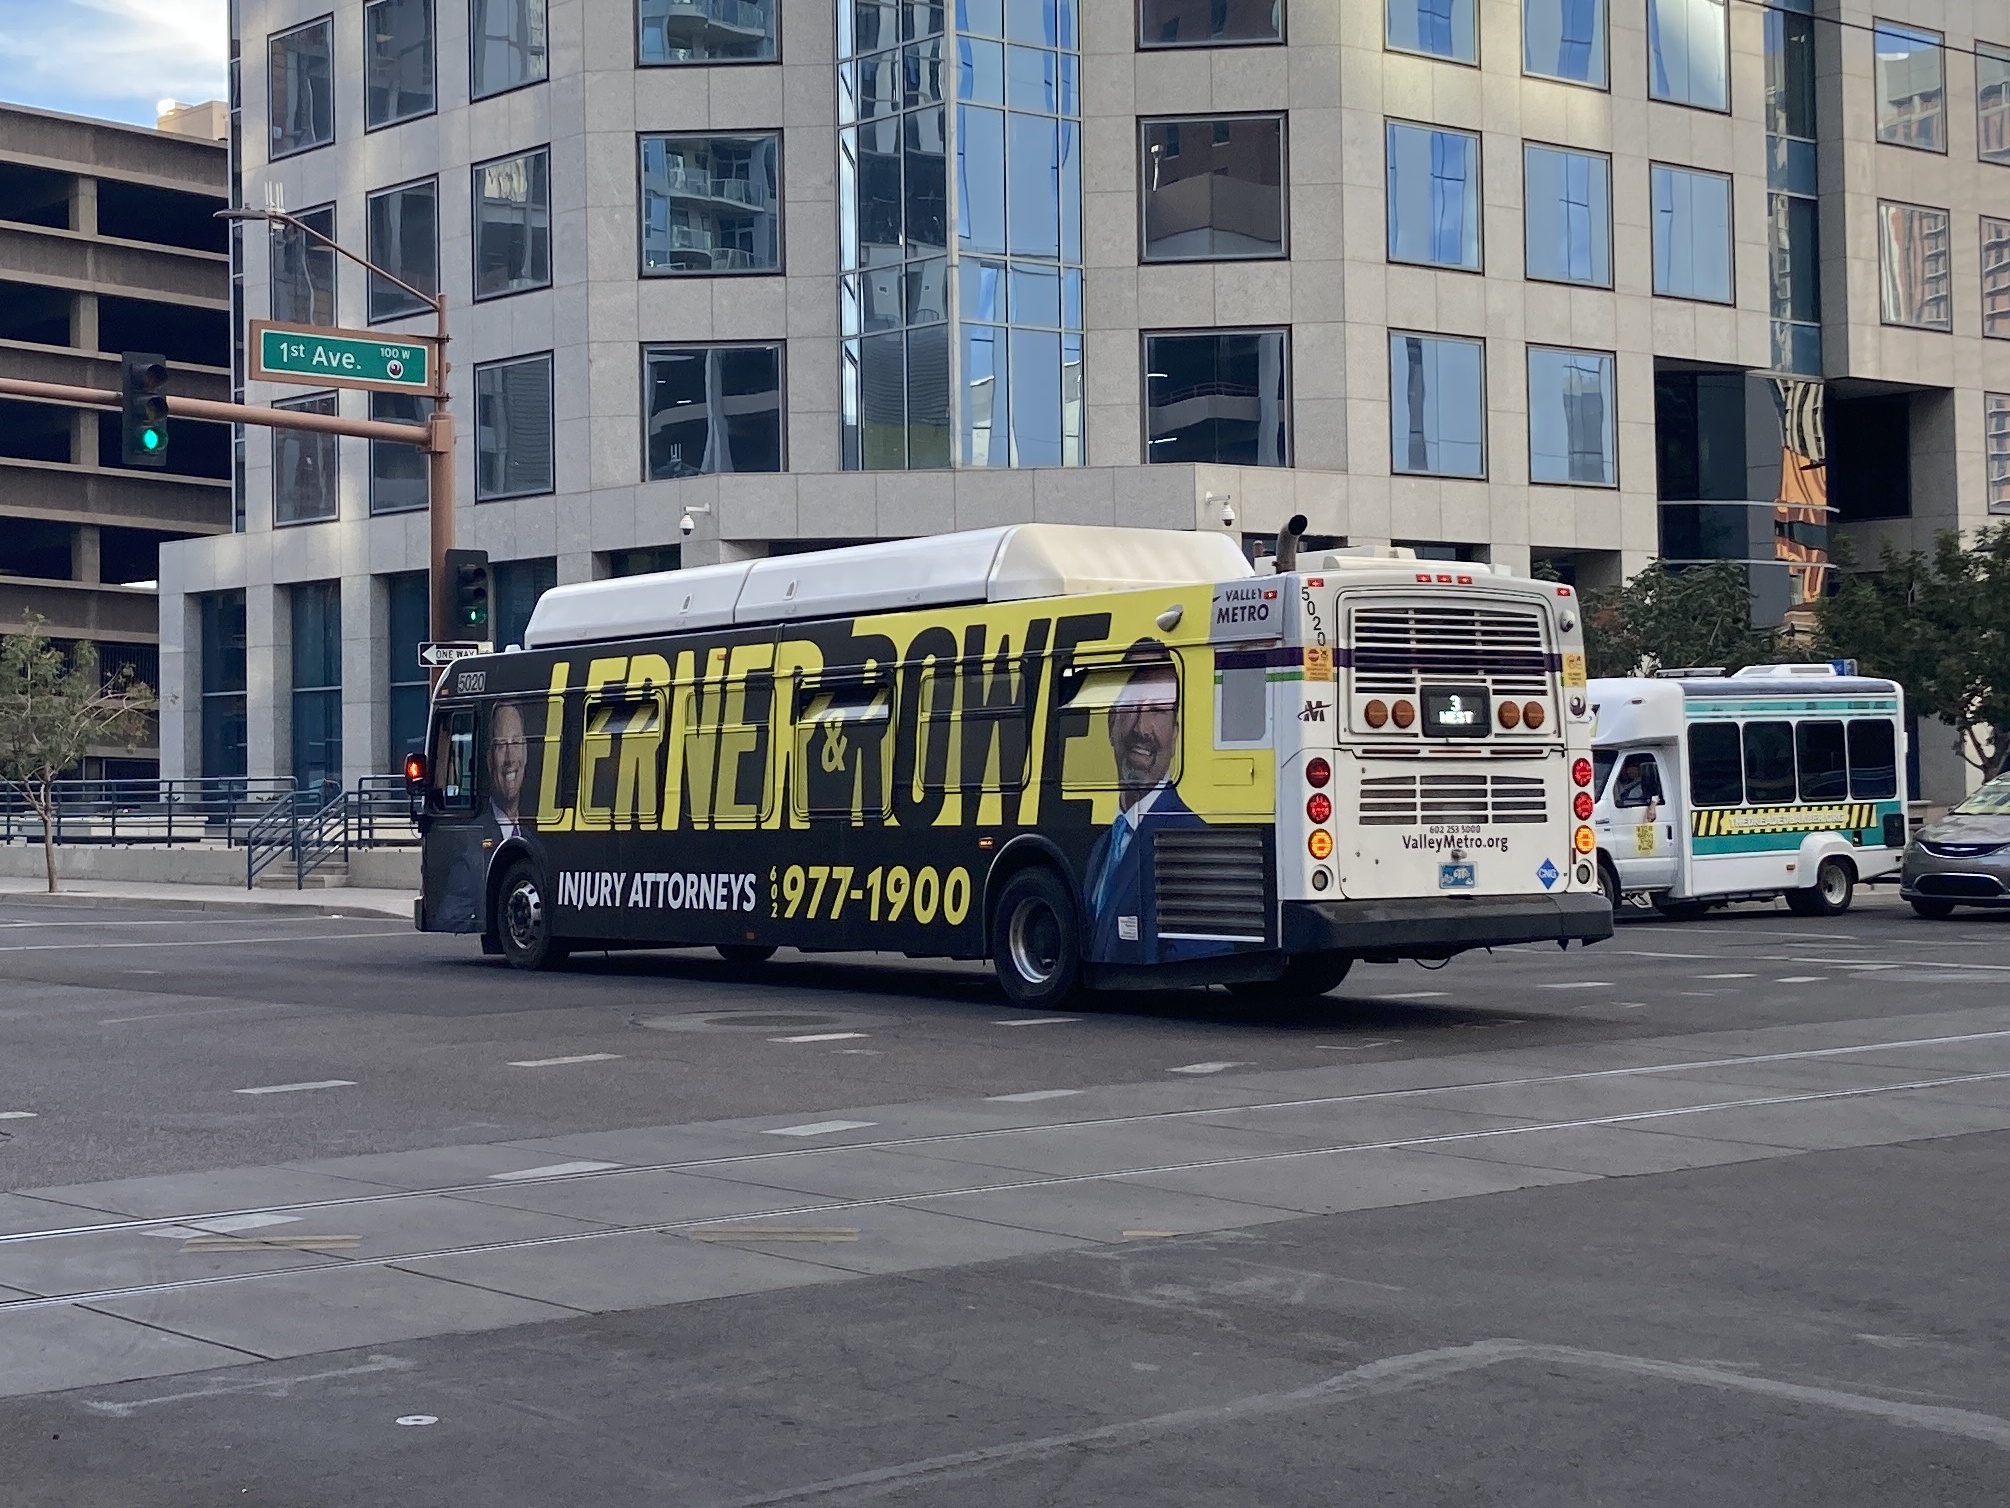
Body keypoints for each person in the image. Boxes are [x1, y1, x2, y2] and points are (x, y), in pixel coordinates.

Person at [1079, 638, 1209, 965]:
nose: (1141, 726)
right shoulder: (1101, 848)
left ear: (1176, 733)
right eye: (1131, 706)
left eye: (1158, 710)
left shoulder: (1190, 838)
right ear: (1111, 723)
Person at [435, 701, 532, 932]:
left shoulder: (534, 835)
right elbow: (448, 916)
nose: (510, 758)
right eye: (500, 746)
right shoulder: (470, 843)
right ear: (489, 760)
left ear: (526, 752)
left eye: (516, 743)